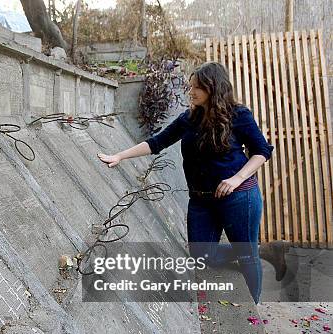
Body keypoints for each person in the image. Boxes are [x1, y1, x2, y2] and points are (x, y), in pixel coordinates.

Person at [97, 61, 289, 304]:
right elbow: (157, 142)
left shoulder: (238, 115)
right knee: (202, 255)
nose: (192, 91)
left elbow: (262, 151)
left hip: (239, 196)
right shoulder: (188, 119)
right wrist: (120, 156)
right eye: (191, 86)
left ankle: (254, 308)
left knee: (247, 257)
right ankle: (266, 251)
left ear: (214, 88)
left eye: (197, 87)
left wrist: (236, 178)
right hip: (201, 200)